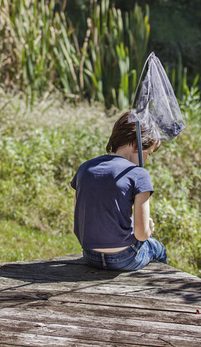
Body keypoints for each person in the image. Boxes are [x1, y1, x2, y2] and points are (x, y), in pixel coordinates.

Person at [71, 110, 167, 270]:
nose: (147, 159)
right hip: (124, 257)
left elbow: (78, 214)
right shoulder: (138, 174)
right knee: (158, 248)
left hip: (89, 254)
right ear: (137, 144)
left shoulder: (85, 168)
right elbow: (141, 234)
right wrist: (149, 229)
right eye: (148, 153)